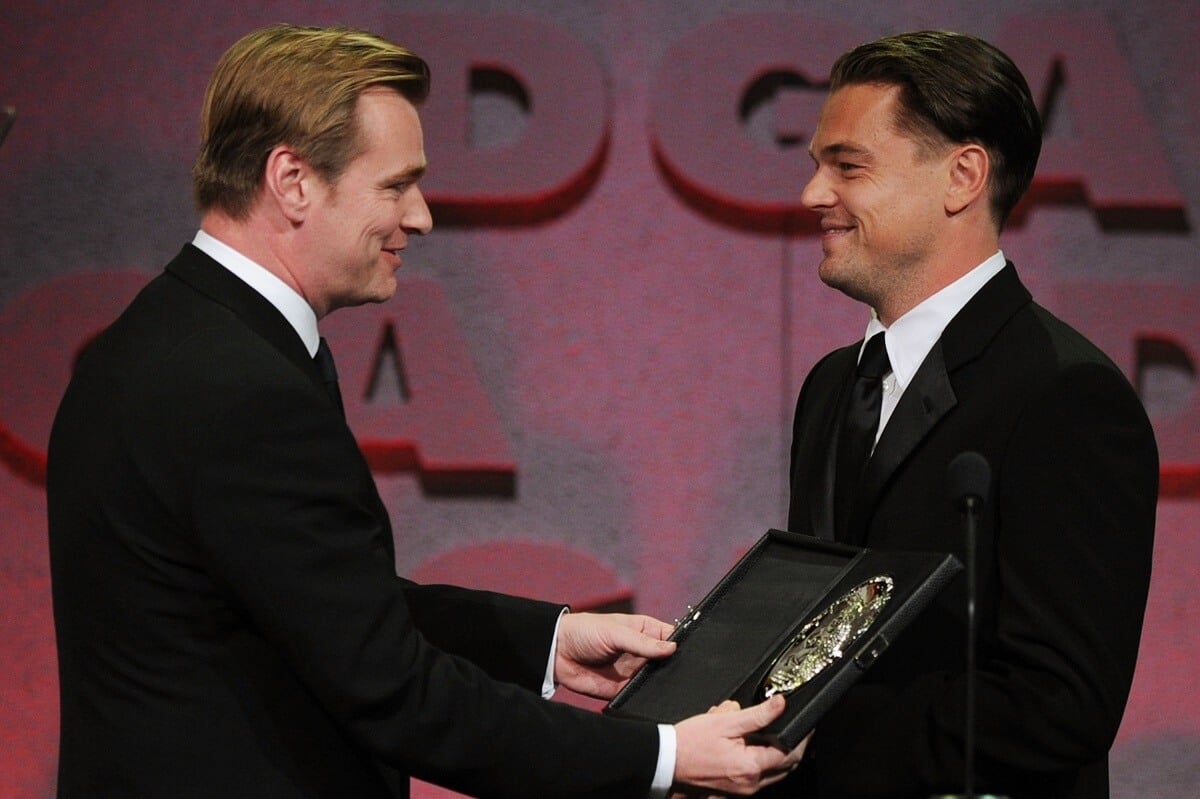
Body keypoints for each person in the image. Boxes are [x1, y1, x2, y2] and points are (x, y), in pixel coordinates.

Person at [46, 24, 800, 799]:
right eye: (395, 184)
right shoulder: (240, 388)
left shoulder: (164, 339)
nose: (421, 216)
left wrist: (545, 642)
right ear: (293, 180)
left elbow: (313, 601)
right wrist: (662, 755)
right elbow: (390, 688)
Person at [771, 30, 1158, 798]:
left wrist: (801, 735)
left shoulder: (1066, 395)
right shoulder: (829, 386)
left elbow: (1058, 705)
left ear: (962, 176)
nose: (813, 194)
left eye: (847, 165)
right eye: (817, 165)